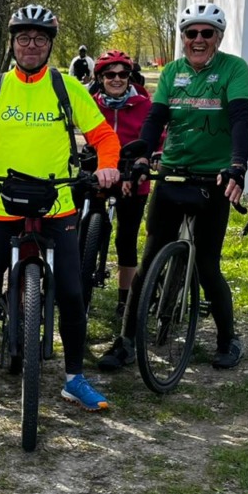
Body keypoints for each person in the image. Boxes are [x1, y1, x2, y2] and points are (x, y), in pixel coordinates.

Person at [0, 5, 120, 414]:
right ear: (13, 43)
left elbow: (104, 135)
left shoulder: (66, 87)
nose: (31, 45)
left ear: (50, 45)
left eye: (39, 39)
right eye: (24, 38)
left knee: (73, 294)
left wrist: (108, 164)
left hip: (57, 205)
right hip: (0, 204)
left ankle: (74, 379)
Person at [98, 2, 248, 374]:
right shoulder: (172, 71)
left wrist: (237, 165)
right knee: (149, 259)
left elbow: (240, 117)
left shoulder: (234, 68)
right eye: (191, 33)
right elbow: (156, 118)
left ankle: (228, 338)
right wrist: (142, 156)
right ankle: (126, 341)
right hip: (172, 171)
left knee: (207, 263)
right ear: (183, 38)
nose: (198, 39)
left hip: (213, 177)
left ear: (218, 37)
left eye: (206, 33)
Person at [89, 50, 153, 317]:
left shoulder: (144, 104)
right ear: (100, 78)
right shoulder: (91, 103)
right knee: (86, 226)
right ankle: (81, 282)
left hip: (132, 174)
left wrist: (147, 160)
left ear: (130, 77)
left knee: (126, 237)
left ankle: (124, 300)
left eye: (123, 74)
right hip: (100, 171)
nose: (117, 79)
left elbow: (156, 137)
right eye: (110, 75)